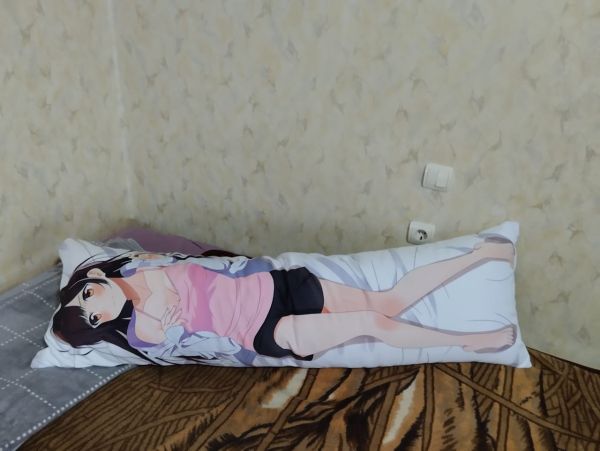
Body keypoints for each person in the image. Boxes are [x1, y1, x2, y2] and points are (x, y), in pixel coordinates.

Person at [53, 239, 516, 364]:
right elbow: (158, 329)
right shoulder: (138, 332)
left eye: (89, 297)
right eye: (93, 319)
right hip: (264, 331)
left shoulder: (147, 266)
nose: (99, 310)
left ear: (95, 275)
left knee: (388, 302)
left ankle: (477, 255)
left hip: (280, 287)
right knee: (373, 322)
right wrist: (160, 309)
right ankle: (471, 341)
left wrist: (161, 295)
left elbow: (165, 287)